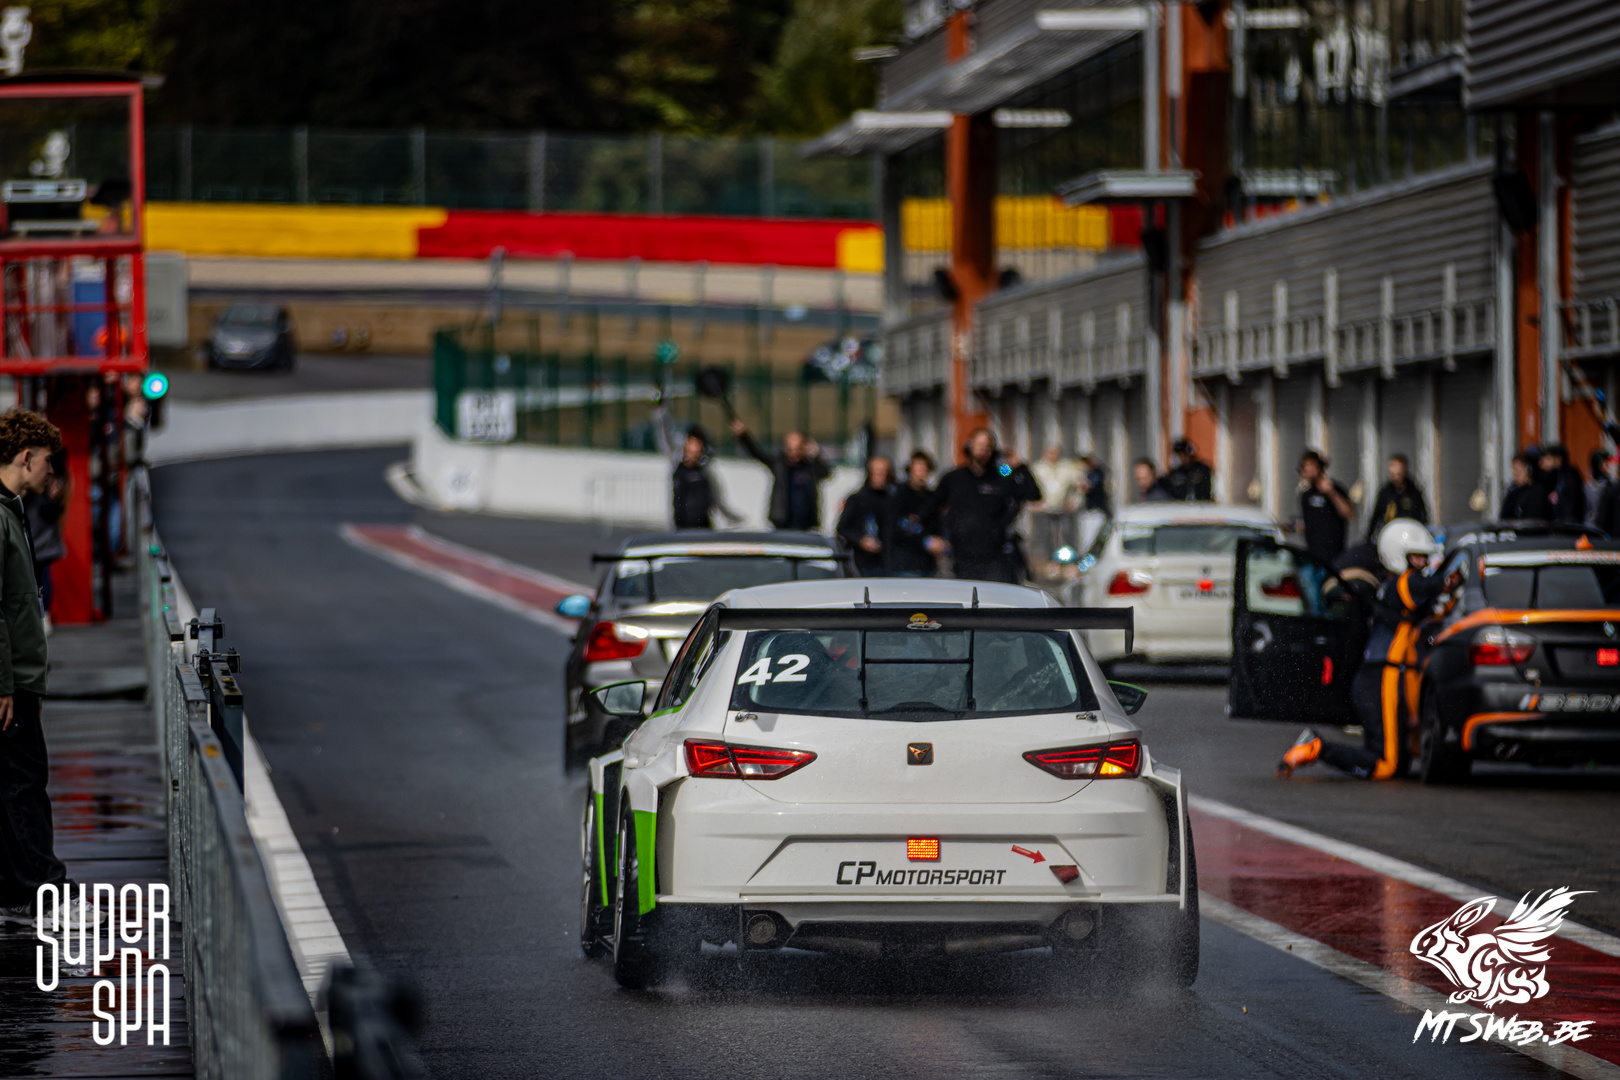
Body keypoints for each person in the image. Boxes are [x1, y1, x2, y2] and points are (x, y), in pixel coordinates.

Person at [1277, 519, 1450, 781]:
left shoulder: (1390, 585)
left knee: (1395, 761)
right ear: (1398, 555)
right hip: (1382, 676)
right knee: (1386, 766)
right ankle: (1317, 748)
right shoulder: (1403, 583)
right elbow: (1433, 585)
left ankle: (1317, 747)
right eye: (1417, 557)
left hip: (1376, 676)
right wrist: (1455, 575)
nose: (1423, 563)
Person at [0, 409, 66, 924]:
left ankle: (18, 895)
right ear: (26, 457)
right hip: (10, 683)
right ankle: (47, 895)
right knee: (25, 785)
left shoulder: (12, 509)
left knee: (13, 787)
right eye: (47, 461)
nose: (51, 471)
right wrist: (5, 684)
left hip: (18, 680)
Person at [923, 429, 1042, 584]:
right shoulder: (954, 478)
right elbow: (931, 509)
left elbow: (1033, 494)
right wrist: (934, 536)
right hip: (961, 555)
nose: (983, 451)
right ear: (970, 446)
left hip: (995, 555)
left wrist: (1019, 466)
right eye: (979, 445)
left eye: (987, 447)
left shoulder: (1001, 475)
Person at [731, 421, 831, 531]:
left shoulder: (810, 466)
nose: (793, 452)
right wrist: (743, 435)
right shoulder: (779, 464)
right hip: (782, 521)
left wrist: (816, 455)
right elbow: (757, 454)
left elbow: (826, 474)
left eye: (797, 448)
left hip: (806, 524)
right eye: (790, 448)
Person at [664, 424, 739, 530]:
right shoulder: (677, 467)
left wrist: (730, 516)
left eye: (698, 444)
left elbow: (717, 499)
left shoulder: (705, 472)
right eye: (692, 443)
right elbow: (665, 435)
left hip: (703, 529)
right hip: (681, 529)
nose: (694, 449)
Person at [22, 457, 65, 633]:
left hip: (34, 535)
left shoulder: (31, 481)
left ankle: (41, 615)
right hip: (41, 536)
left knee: (38, 577)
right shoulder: (51, 479)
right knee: (41, 577)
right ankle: (42, 615)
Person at [836, 457, 896, 577]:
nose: (882, 476)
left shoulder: (892, 499)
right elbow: (842, 528)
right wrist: (861, 540)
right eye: (878, 472)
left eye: (885, 472)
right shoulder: (857, 499)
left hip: (888, 560)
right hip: (862, 561)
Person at [1296, 450, 1355, 564]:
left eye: (1310, 465)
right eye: (1304, 467)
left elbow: (1349, 514)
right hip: (1314, 555)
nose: (1307, 470)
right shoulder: (1306, 495)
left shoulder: (1335, 490)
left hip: (1334, 554)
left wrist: (1331, 493)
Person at [1029, 444, 1082, 565]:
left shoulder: (1068, 467)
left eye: (1055, 453)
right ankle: (1050, 561)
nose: (1052, 456)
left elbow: (1080, 486)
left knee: (1067, 535)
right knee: (1045, 536)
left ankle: (1068, 561)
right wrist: (1033, 503)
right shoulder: (1038, 468)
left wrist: (1075, 501)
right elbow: (1028, 487)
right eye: (1049, 453)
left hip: (1063, 509)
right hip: (1045, 509)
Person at [889, 451, 938, 577]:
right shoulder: (899, 494)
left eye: (924, 469)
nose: (921, 472)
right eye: (918, 468)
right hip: (905, 561)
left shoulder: (931, 496)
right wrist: (926, 541)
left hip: (927, 563)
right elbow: (897, 527)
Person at [1366, 454, 1429, 538]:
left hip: (1410, 534)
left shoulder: (1413, 492)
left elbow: (1422, 516)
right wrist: (1369, 537)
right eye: (1392, 474)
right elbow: (1376, 516)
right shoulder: (1385, 492)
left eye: (1398, 474)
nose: (1395, 478)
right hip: (1390, 534)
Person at [1538, 444, 1586, 524]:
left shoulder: (1569, 478)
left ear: (1558, 460)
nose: (1543, 462)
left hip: (1567, 527)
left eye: (1548, 459)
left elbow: (1570, 509)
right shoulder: (1554, 476)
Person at [1500, 452, 1552, 521]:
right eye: (1514, 472)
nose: (1515, 476)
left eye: (1518, 471)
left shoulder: (1537, 492)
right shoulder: (1514, 491)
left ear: (1529, 470)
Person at [1585, 449, 1613, 527]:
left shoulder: (1612, 486)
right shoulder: (1588, 488)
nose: (1607, 466)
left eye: (1607, 463)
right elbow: (1586, 512)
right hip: (1594, 527)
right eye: (1603, 463)